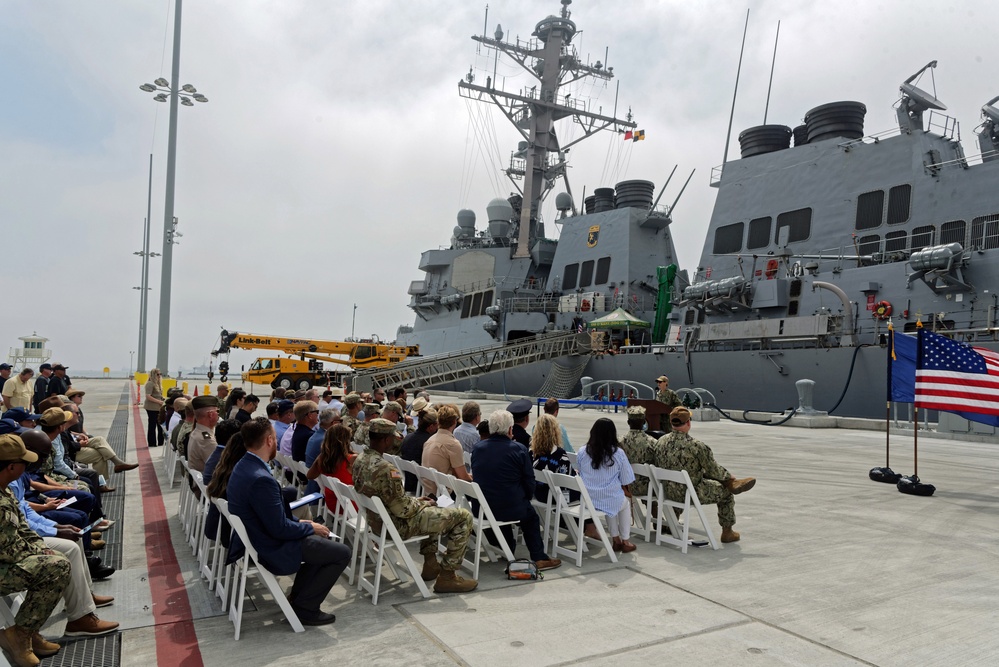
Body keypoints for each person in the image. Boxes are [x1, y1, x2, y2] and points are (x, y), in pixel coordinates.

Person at [227, 417, 350, 626]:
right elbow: (279, 528)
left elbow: (272, 516)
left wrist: (302, 522)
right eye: (275, 438)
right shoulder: (260, 478)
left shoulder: (244, 465)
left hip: (260, 534)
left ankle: (299, 599)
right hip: (270, 544)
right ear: (268, 441)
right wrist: (308, 526)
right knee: (341, 553)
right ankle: (306, 608)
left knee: (323, 545)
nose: (276, 442)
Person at [353, 419, 478, 593]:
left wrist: (419, 502)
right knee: (463, 516)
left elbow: (393, 500)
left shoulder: (360, 459)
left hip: (377, 523)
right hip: (397, 525)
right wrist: (420, 504)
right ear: (386, 440)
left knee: (433, 510)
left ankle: (430, 564)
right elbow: (404, 510)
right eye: (392, 438)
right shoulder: (385, 468)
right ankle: (447, 577)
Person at [0, 433, 72, 667]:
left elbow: (22, 527)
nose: (27, 466)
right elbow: (8, 550)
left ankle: (27, 631)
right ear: (11, 466)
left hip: (8, 558)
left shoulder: (5, 490)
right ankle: (19, 635)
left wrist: (40, 547)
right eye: (23, 462)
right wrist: (37, 553)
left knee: (56, 560)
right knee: (56, 568)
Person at [470, 410, 561, 571]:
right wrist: (525, 497)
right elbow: (529, 480)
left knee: (505, 506)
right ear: (510, 430)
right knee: (530, 517)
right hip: (509, 506)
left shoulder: (478, 448)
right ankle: (539, 556)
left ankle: (507, 547)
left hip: (482, 508)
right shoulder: (518, 449)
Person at [653, 407, 756, 543]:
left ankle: (673, 524)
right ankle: (727, 531)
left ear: (671, 423)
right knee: (726, 493)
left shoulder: (660, 442)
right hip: (690, 493)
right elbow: (713, 469)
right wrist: (729, 475)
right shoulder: (696, 446)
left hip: (667, 491)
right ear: (688, 423)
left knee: (691, 473)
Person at [576, 418, 637, 553]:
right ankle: (625, 540)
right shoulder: (618, 453)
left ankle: (616, 539)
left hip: (588, 500)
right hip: (609, 497)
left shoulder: (582, 451)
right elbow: (627, 479)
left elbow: (580, 472)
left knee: (612, 503)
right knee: (621, 504)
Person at [62, 402, 138, 482]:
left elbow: (69, 435)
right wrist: (79, 444)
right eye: (77, 413)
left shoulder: (64, 427)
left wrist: (77, 435)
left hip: (74, 445)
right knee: (99, 455)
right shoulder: (60, 429)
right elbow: (66, 446)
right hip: (72, 452)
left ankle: (118, 463)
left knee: (99, 439)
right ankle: (101, 483)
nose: (79, 415)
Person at [421, 404, 471, 495]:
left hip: (428, 490)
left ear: (438, 422)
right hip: (444, 493)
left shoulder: (429, 441)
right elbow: (463, 477)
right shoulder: (453, 444)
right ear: (454, 422)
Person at [306, 424, 356, 512]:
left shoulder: (322, 458)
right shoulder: (352, 459)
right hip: (350, 505)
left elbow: (310, 475)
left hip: (333, 503)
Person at [529, 413, 576, 503]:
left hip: (538, 494)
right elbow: (567, 483)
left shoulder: (531, 453)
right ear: (555, 432)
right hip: (556, 497)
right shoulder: (561, 455)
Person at [618, 405, 656, 499]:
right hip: (647, 488)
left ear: (628, 422)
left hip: (624, 486)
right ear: (644, 422)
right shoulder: (652, 442)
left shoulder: (619, 442)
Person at [400, 407, 438, 494]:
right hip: (422, 486)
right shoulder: (429, 442)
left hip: (409, 481)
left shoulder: (408, 438)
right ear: (431, 426)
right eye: (437, 425)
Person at [187, 396, 220, 473]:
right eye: (217, 412)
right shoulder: (206, 440)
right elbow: (219, 466)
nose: (218, 415)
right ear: (210, 414)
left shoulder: (197, 432)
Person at [143, 368, 165, 447]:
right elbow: (148, 396)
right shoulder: (150, 383)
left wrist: (162, 398)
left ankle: (160, 442)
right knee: (152, 425)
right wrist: (158, 401)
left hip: (158, 407)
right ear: (153, 375)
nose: (159, 376)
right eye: (157, 374)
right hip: (151, 407)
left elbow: (158, 395)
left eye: (160, 374)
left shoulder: (158, 384)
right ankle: (152, 443)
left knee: (160, 425)